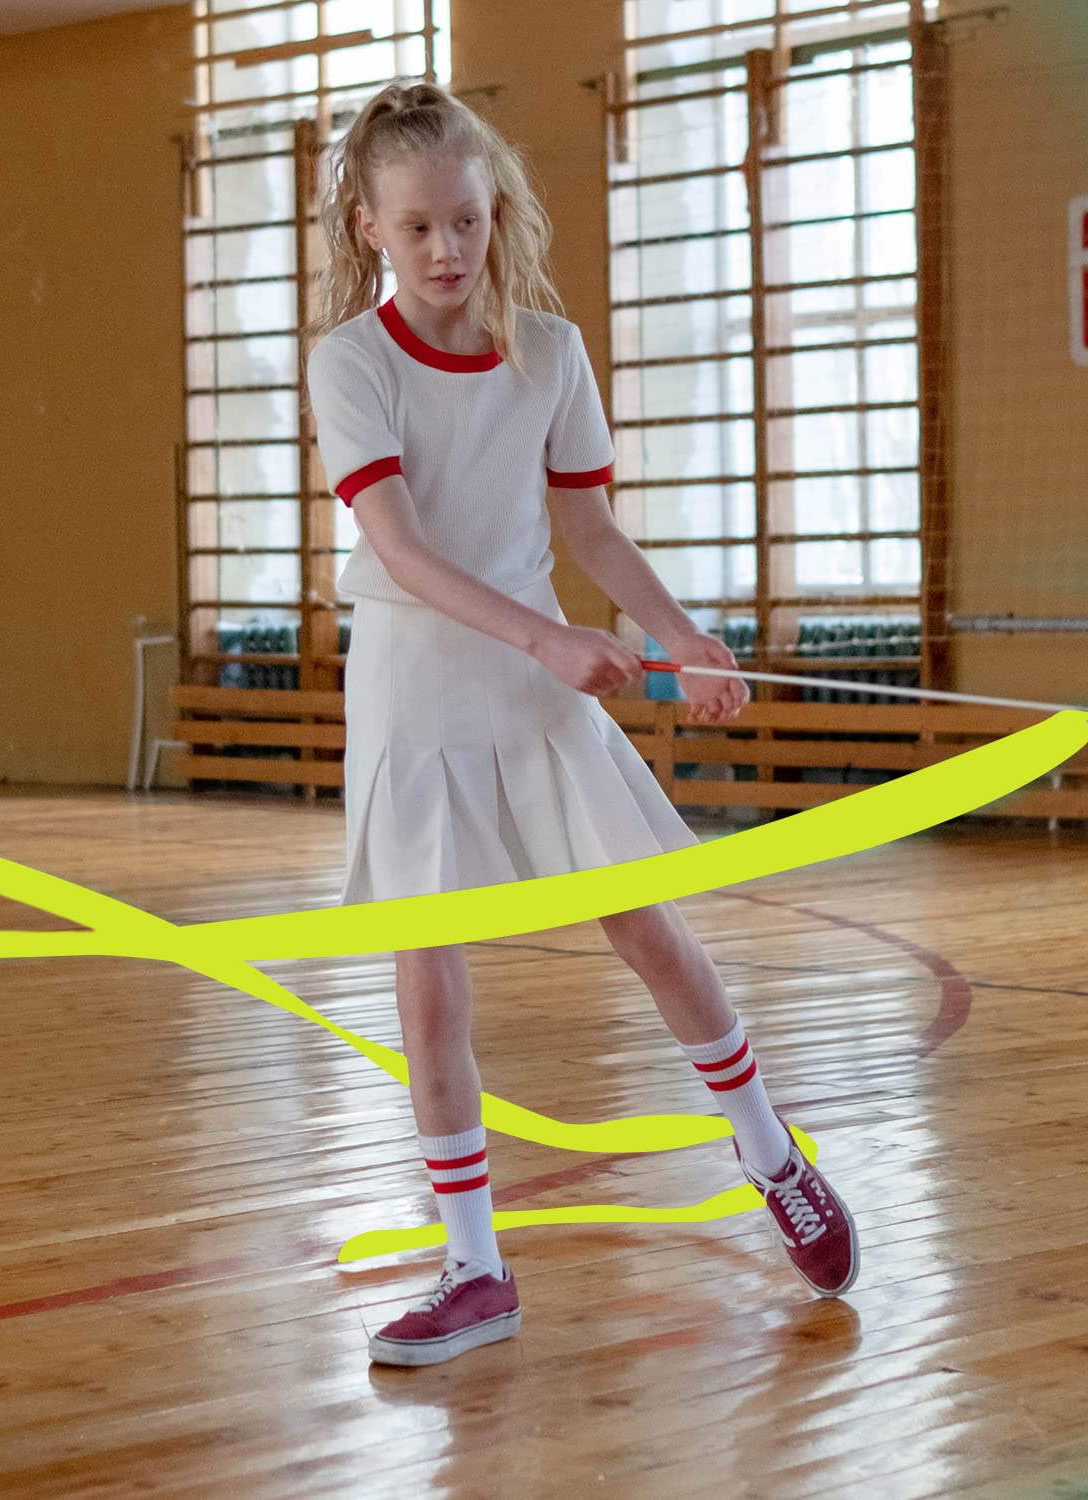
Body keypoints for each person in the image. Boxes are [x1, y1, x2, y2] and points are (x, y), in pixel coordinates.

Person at [302, 81, 857, 1369]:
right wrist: (549, 635)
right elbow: (399, 548)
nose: (449, 251)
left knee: (649, 926)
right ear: (371, 226)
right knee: (429, 984)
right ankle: (475, 1267)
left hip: (534, 688)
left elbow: (591, 530)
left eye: (468, 221)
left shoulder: (551, 354)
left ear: (497, 214)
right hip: (416, 688)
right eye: (420, 226)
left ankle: (774, 1155)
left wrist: (678, 637)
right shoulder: (351, 364)